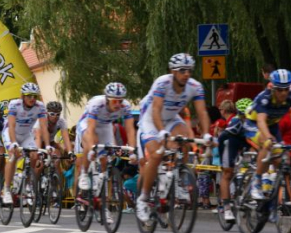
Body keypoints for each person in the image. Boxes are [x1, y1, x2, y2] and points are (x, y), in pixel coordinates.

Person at [135, 54, 211, 222]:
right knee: (156, 155)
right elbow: (155, 110)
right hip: (150, 119)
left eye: (189, 70)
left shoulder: (195, 86)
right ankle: (143, 198)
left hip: (171, 118)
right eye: (182, 70)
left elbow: (202, 112)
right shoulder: (163, 82)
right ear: (172, 71)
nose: (186, 74)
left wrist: (206, 133)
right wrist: (161, 132)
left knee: (184, 138)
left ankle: (179, 179)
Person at [244, 69, 291, 200]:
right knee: (267, 143)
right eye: (280, 90)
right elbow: (261, 121)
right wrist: (268, 138)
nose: (283, 93)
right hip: (254, 123)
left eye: (286, 89)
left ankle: (271, 201)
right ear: (273, 88)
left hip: (273, 125)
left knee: (281, 161)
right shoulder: (264, 98)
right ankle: (256, 182)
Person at [78, 82, 136, 193]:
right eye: (114, 101)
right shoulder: (97, 103)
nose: (118, 104)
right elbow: (91, 129)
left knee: (105, 157)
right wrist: (91, 148)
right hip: (87, 124)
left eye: (120, 101)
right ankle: (84, 174)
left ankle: (101, 191)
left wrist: (132, 151)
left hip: (105, 125)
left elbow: (130, 130)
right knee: (92, 143)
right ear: (107, 99)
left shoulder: (126, 106)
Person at [2, 82, 49, 205]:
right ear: (22, 96)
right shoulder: (14, 105)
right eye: (29, 95)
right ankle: (7, 188)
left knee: (35, 155)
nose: (32, 99)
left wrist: (48, 145)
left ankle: (28, 185)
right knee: (14, 155)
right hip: (11, 133)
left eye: (35, 96)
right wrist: (13, 143)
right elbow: (11, 126)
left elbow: (44, 128)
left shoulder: (40, 106)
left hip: (26, 134)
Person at [217, 98, 251, 221]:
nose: (246, 118)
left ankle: (245, 198)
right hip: (230, 144)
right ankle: (226, 208)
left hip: (243, 146)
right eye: (244, 116)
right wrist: (222, 161)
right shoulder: (235, 122)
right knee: (227, 174)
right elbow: (221, 139)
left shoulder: (254, 120)